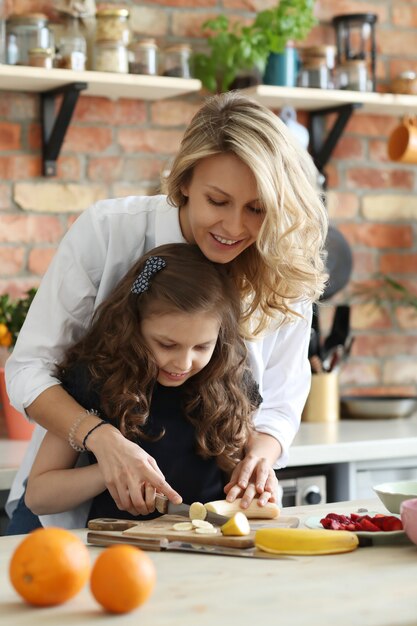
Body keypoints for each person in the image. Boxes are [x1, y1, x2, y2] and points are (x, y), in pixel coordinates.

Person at [5, 91, 328, 531]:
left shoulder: (282, 262)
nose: (235, 227)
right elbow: (29, 370)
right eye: (217, 201)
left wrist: (259, 457)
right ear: (184, 184)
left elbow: (282, 398)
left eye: (257, 209)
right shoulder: (108, 232)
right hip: (66, 522)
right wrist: (105, 445)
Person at [24, 243, 263, 522]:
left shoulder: (229, 381)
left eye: (201, 347)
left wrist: (254, 474)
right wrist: (110, 468)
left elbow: (247, 454)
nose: (183, 363)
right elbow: (38, 496)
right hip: (121, 551)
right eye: (167, 344)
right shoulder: (94, 381)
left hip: (211, 545)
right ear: (134, 326)